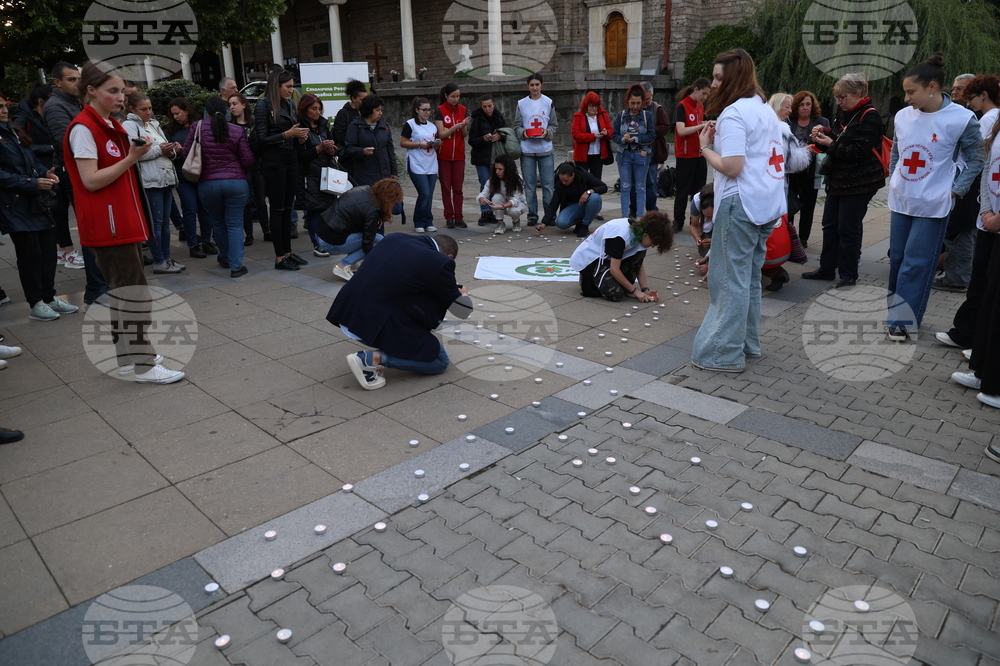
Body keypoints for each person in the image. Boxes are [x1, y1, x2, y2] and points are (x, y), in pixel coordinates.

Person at [65, 60, 183, 384]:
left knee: (126, 293)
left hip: (120, 222)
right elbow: (90, 180)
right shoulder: (84, 128)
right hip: (109, 226)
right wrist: (131, 158)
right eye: (113, 91)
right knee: (133, 295)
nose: (120, 97)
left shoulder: (106, 124)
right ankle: (143, 363)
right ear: (92, 91)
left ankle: (129, 360)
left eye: (122, 91)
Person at [691, 49, 787, 373]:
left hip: (741, 203)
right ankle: (747, 344)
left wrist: (705, 147)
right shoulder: (765, 111)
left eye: (719, 77)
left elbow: (732, 167)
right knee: (748, 279)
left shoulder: (734, 113)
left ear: (733, 78)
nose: (714, 84)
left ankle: (722, 354)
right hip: (766, 204)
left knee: (728, 281)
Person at [884, 53, 983, 341]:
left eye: (910, 92)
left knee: (917, 262)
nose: (906, 99)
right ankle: (896, 313)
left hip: (934, 203)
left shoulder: (962, 118)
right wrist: (894, 178)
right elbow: (897, 150)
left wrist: (956, 189)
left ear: (931, 87)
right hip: (902, 199)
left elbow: (977, 158)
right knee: (898, 258)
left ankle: (903, 321)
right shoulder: (903, 116)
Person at [327, 232, 472, 390]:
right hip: (371, 322)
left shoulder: (394, 238)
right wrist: (463, 294)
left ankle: (384, 352)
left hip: (346, 311)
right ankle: (371, 359)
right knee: (440, 361)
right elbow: (462, 310)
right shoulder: (440, 262)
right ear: (450, 257)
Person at [0, 92, 78, 321]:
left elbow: (31, 159)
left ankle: (49, 297)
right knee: (30, 255)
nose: (4, 110)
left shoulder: (13, 130)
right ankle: (36, 303)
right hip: (14, 204)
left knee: (47, 251)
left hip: (35, 201)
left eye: (4, 106)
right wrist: (31, 183)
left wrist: (45, 173)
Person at [804, 73, 887, 289]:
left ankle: (848, 274)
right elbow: (839, 139)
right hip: (838, 180)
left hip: (859, 182)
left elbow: (857, 152)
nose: (839, 101)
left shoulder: (870, 116)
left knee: (848, 229)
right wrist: (821, 136)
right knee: (830, 225)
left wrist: (829, 143)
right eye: (837, 97)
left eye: (842, 97)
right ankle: (826, 269)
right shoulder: (847, 114)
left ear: (858, 93)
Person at [937, 75, 1000, 351]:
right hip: (987, 208)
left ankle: (969, 335)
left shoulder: (987, 119)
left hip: (989, 212)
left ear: (983, 95)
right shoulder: (993, 121)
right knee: (982, 282)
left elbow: (979, 159)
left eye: (970, 96)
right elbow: (988, 167)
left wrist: (992, 213)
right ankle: (970, 336)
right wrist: (987, 208)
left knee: (982, 282)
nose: (968, 102)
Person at [949, 97, 1000, 420]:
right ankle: (983, 370)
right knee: (988, 297)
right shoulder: (997, 125)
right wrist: (988, 210)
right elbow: (987, 167)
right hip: (990, 222)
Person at [184, 96, 254, 278]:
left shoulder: (197, 127)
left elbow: (186, 153)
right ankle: (236, 266)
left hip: (208, 184)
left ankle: (225, 257)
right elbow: (248, 159)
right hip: (236, 183)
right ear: (226, 111)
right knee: (235, 224)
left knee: (219, 223)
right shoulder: (237, 130)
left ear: (206, 111)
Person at [255, 68, 310, 271]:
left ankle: (287, 252)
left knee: (288, 208)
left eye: (292, 86)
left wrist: (299, 137)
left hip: (290, 158)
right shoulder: (263, 105)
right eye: (287, 86)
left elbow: (291, 132)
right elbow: (261, 140)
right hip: (274, 162)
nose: (291, 90)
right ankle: (279, 257)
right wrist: (287, 134)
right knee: (278, 210)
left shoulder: (289, 104)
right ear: (276, 86)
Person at [122, 92, 182, 274]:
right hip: (150, 181)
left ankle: (166, 259)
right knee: (156, 224)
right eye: (144, 109)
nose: (148, 112)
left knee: (164, 223)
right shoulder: (129, 125)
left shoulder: (153, 124)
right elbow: (135, 154)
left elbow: (162, 149)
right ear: (132, 109)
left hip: (165, 178)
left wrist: (172, 151)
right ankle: (159, 260)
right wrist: (160, 150)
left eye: (150, 108)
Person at [570, 211, 673, 302]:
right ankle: (591, 282)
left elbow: (639, 263)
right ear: (647, 234)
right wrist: (635, 291)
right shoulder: (620, 236)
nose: (653, 245)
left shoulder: (640, 233)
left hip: (607, 259)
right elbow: (614, 270)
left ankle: (610, 283)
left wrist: (645, 289)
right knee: (616, 294)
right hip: (591, 262)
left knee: (625, 286)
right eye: (654, 242)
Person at [43, 63, 87, 270]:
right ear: (57, 82)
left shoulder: (74, 102)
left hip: (78, 168)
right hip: (71, 170)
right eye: (71, 79)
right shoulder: (55, 106)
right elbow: (66, 142)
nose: (77, 83)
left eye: (78, 79)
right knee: (85, 220)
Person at [317, 179, 400, 281]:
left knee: (372, 239)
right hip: (330, 242)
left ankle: (353, 264)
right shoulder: (373, 209)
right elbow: (367, 242)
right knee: (379, 241)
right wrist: (377, 259)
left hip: (322, 232)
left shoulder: (364, 189)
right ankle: (342, 266)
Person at [166, 98, 215, 258]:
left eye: (178, 113)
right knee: (189, 209)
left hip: (201, 173)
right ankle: (193, 244)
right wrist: (175, 152)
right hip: (183, 174)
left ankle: (207, 240)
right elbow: (168, 154)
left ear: (186, 110)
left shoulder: (200, 125)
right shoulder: (172, 131)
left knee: (205, 209)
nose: (176, 117)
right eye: (173, 114)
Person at [295, 93, 338, 255]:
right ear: (305, 109)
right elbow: (300, 156)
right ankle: (317, 243)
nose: (317, 112)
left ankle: (326, 240)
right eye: (314, 108)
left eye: (319, 109)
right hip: (309, 175)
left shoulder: (324, 126)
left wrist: (330, 150)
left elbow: (334, 149)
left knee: (327, 209)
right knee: (314, 210)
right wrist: (319, 148)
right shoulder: (300, 128)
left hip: (326, 173)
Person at [787, 90, 829, 246]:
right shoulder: (788, 122)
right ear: (796, 107)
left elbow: (828, 144)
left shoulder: (822, 122)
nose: (805, 108)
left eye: (808, 104)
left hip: (811, 170)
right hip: (791, 170)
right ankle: (788, 236)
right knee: (789, 203)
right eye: (801, 105)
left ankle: (803, 238)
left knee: (808, 205)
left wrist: (816, 145)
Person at [515, 73, 558, 226]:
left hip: (545, 149)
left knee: (548, 186)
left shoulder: (548, 102)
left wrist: (547, 132)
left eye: (537, 85)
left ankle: (549, 215)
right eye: (532, 85)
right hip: (527, 150)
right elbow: (517, 126)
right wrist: (523, 133)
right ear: (528, 86)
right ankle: (532, 215)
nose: (534, 88)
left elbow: (554, 125)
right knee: (530, 186)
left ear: (542, 85)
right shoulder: (521, 104)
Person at [229, 92, 269, 246]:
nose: (232, 107)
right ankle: (249, 234)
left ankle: (267, 231)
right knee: (246, 201)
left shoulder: (255, 124)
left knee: (260, 199)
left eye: (235, 104)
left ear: (244, 105)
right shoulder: (231, 126)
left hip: (257, 164)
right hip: (241, 167)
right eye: (230, 105)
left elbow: (262, 143)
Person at [673, 78, 711, 232]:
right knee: (682, 191)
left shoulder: (700, 107)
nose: (705, 97)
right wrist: (700, 126)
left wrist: (709, 127)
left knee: (699, 192)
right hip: (685, 155)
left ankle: (696, 221)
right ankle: (678, 222)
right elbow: (681, 131)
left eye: (707, 94)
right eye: (703, 93)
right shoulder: (682, 106)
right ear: (696, 89)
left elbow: (704, 127)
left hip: (700, 154)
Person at [612, 84, 655, 219]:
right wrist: (623, 139)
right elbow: (614, 135)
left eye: (638, 103)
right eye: (632, 103)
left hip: (641, 154)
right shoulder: (621, 116)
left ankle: (640, 217)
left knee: (640, 187)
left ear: (642, 102)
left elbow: (651, 136)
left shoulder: (647, 116)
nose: (635, 106)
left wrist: (636, 139)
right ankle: (624, 218)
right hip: (624, 154)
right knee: (625, 186)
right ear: (627, 102)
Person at [535, 162, 607, 237]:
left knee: (595, 197)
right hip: (572, 206)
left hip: (587, 203)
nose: (563, 183)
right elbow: (554, 204)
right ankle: (579, 222)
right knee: (561, 223)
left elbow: (603, 187)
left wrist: (589, 192)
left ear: (573, 175)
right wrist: (544, 223)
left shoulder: (584, 175)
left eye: (566, 180)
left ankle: (585, 225)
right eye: (561, 180)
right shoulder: (559, 183)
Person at [400, 97, 439, 233]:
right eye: (424, 110)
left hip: (431, 162)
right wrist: (418, 144)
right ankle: (419, 221)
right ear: (417, 110)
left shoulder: (432, 126)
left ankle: (428, 221)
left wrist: (436, 144)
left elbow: (434, 144)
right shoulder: (410, 124)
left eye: (429, 110)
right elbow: (403, 142)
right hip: (416, 162)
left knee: (430, 194)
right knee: (424, 193)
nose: (427, 112)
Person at [434, 83, 469, 229]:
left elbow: (464, 135)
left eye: (458, 96)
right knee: (446, 187)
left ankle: (459, 217)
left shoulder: (463, 110)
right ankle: (449, 217)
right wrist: (455, 127)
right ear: (446, 96)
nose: (456, 99)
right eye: (453, 96)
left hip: (459, 155)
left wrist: (464, 126)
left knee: (458, 188)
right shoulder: (440, 110)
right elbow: (441, 134)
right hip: (444, 155)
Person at [469, 94, 507, 227]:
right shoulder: (477, 119)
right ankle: (485, 211)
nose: (487, 109)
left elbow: (507, 132)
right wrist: (483, 139)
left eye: (489, 106)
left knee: (496, 184)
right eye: (484, 107)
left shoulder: (499, 116)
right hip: (481, 156)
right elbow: (471, 140)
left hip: (496, 156)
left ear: (494, 105)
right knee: (485, 182)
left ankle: (493, 211)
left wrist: (500, 136)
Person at [345, 94, 396, 188]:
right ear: (369, 110)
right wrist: (362, 151)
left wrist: (393, 171)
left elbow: (390, 150)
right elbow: (349, 149)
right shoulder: (355, 126)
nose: (380, 113)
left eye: (381, 110)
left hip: (384, 173)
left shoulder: (384, 126)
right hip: (365, 175)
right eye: (377, 110)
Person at [639, 82, 670, 214]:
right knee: (635, 183)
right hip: (635, 151)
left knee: (651, 182)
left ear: (652, 96)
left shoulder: (658, 109)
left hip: (652, 153)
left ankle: (651, 209)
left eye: (648, 99)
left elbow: (665, 127)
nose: (645, 102)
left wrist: (649, 130)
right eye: (643, 98)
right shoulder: (633, 107)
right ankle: (635, 209)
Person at [477, 155, 527, 234]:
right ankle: (500, 222)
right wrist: (481, 198)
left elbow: (516, 199)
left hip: (516, 205)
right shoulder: (493, 179)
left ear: (507, 169)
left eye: (500, 169)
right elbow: (484, 193)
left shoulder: (517, 179)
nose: (497, 172)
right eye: (496, 169)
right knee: (496, 197)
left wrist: (501, 206)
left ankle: (516, 221)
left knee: (514, 211)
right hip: (502, 204)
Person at [571, 91, 613, 181]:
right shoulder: (578, 116)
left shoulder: (603, 114)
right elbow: (576, 135)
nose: (594, 108)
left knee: (596, 180)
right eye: (591, 106)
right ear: (586, 105)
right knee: (581, 180)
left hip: (598, 154)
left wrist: (606, 133)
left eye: (596, 106)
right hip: (582, 155)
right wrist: (593, 136)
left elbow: (610, 130)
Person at [13, 83, 54, 170]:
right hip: (37, 169)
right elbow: (17, 146)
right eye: (51, 102)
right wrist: (48, 148)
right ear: (41, 101)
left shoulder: (45, 116)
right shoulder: (22, 119)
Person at [332, 79, 367, 172]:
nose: (364, 102)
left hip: (364, 157)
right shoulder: (344, 113)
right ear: (353, 98)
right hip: (349, 158)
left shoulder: (366, 113)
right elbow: (340, 135)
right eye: (361, 100)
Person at [689, 183, 714, 258]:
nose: (710, 219)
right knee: (705, 251)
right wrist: (697, 238)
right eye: (707, 217)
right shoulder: (696, 201)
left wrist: (715, 241)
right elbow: (693, 225)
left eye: (712, 216)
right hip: (706, 228)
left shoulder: (725, 202)